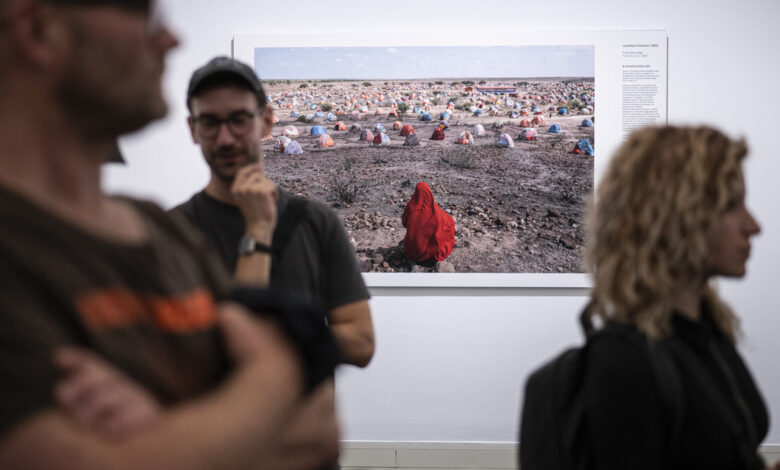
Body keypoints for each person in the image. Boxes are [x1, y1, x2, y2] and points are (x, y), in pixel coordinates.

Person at [0, 1, 338, 468]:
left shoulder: (158, 228)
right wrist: (278, 371)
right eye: (143, 14)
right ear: (39, 30)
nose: (171, 39)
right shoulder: (16, 247)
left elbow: (319, 430)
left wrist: (162, 429)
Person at [583, 125, 775, 469]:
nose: (754, 225)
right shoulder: (623, 366)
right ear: (675, 217)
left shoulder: (709, 331)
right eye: (730, 205)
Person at [173, 56, 375, 368]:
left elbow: (362, 342)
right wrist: (257, 229)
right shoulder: (172, 231)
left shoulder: (316, 221)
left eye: (239, 119)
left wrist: (284, 335)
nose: (225, 138)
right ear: (193, 129)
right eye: (210, 123)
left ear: (266, 121)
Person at [401, 182, 455, 264]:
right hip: (429, 254)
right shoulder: (436, 211)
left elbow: (404, 223)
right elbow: (450, 222)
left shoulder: (411, 208)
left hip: (411, 252)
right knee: (445, 237)